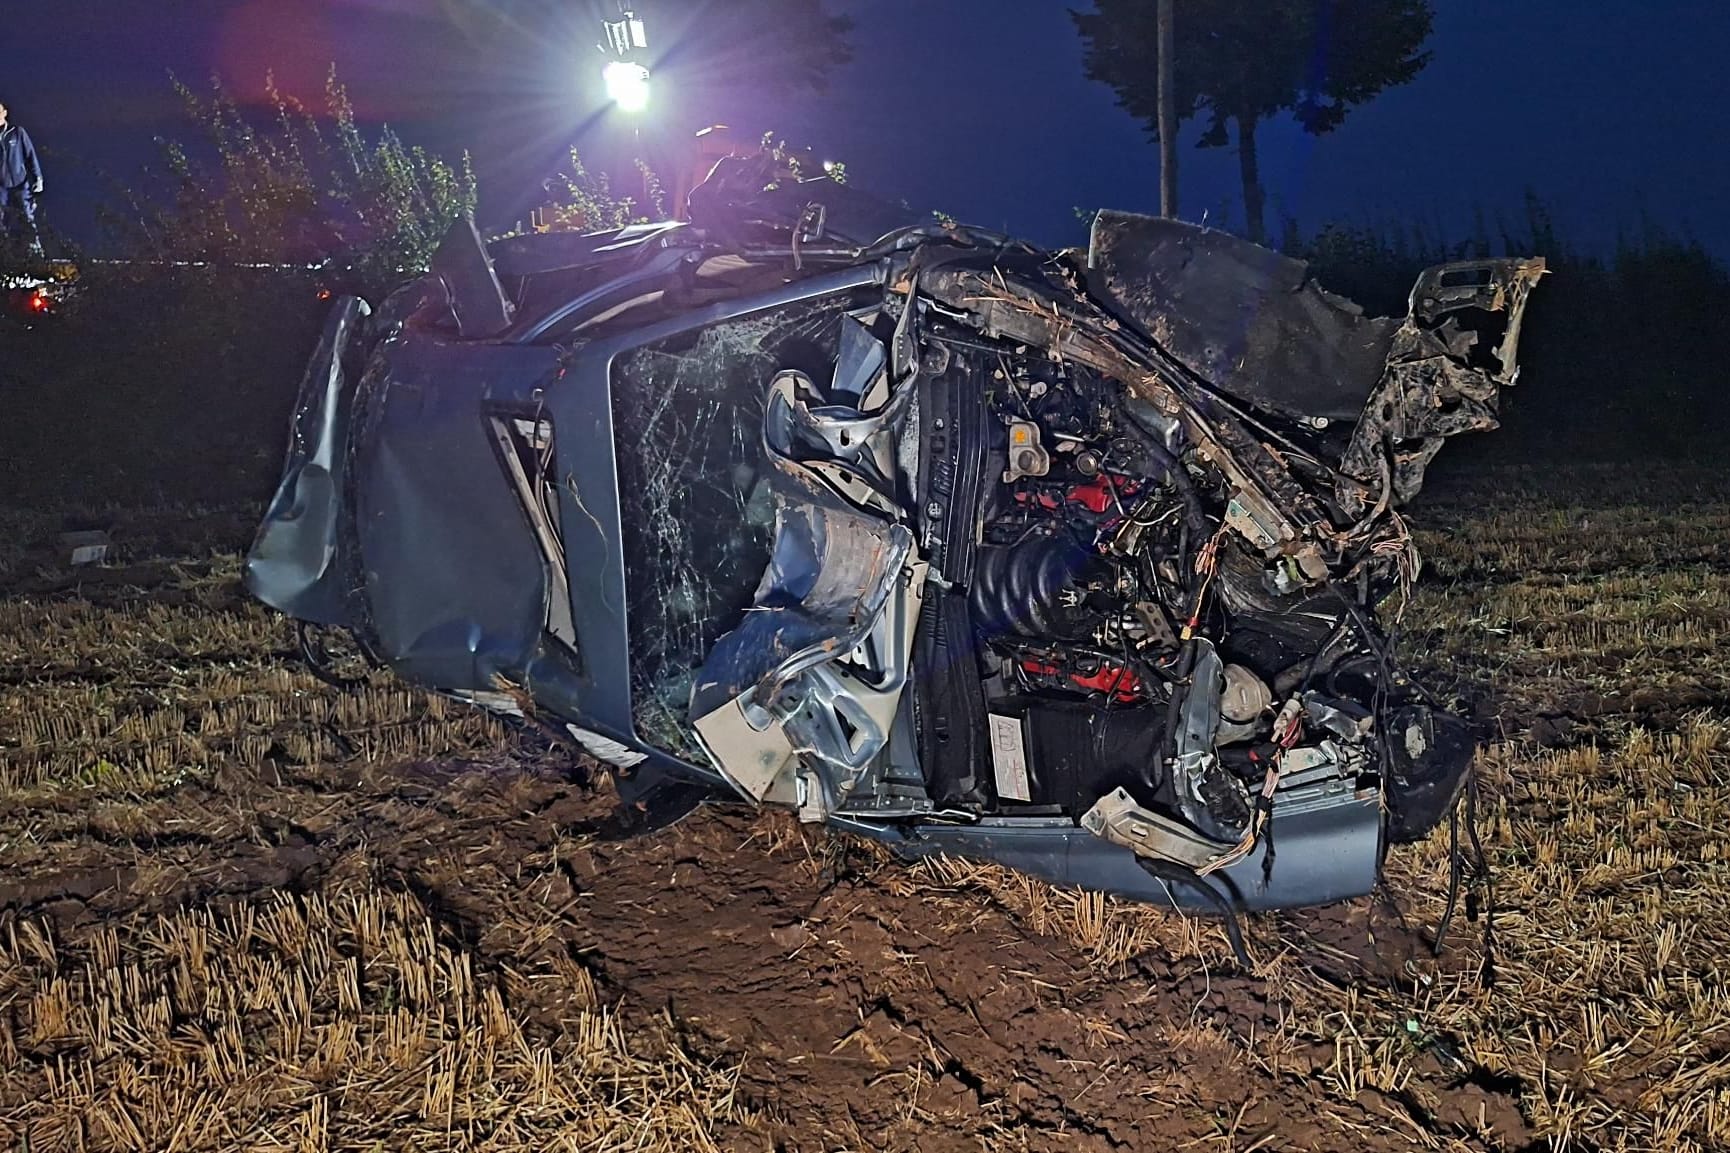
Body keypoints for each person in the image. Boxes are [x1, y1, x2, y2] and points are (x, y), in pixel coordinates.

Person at [0, 101, 44, 257]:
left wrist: (38, 178)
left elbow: (30, 154)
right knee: (1, 220)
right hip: (1, 187)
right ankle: (5, 253)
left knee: (26, 216)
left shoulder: (17, 132)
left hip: (20, 184)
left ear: (5, 112)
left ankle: (35, 250)